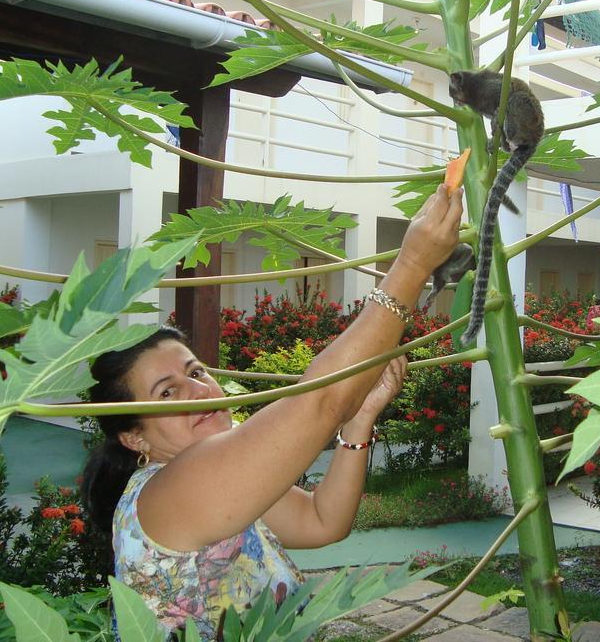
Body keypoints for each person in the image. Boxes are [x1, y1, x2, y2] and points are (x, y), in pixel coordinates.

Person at [80, 184, 463, 639]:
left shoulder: (218, 478)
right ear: (134, 437)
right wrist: (414, 264)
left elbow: (322, 521)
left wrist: (358, 420)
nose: (198, 392)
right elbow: (319, 401)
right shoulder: (174, 487)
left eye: (196, 372)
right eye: (166, 393)